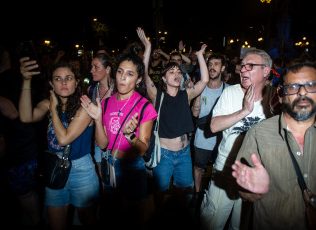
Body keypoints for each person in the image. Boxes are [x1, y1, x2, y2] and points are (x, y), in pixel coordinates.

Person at [231, 60, 316, 230]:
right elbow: (243, 190)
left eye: (311, 85)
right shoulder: (258, 134)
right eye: (293, 87)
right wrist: (254, 191)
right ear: (280, 94)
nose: (302, 93)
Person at [80, 28, 157, 229]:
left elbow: (141, 150)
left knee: (136, 218)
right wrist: (97, 119)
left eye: (130, 74)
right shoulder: (105, 104)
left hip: (133, 168)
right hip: (111, 164)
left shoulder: (145, 106)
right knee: (115, 217)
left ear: (138, 79)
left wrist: (130, 135)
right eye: (120, 72)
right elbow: (103, 144)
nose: (123, 78)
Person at [200, 49, 277, 230]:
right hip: (225, 172)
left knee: (240, 226)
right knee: (212, 224)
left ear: (265, 71)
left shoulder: (275, 98)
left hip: (254, 177)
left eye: (250, 66)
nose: (243, 70)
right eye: (242, 66)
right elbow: (213, 126)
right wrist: (244, 111)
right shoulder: (230, 93)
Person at [19, 59, 99, 230]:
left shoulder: (85, 106)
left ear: (77, 82)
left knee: (87, 219)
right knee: (56, 224)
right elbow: (26, 117)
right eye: (58, 78)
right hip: (54, 169)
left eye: (69, 78)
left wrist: (54, 110)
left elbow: (64, 139)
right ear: (51, 83)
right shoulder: (49, 103)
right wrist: (26, 80)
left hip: (81, 170)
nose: (63, 82)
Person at [137, 27, 209, 216]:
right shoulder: (157, 95)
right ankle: (160, 216)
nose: (176, 73)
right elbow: (144, 73)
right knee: (160, 192)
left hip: (184, 153)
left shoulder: (186, 95)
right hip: (164, 155)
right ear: (163, 77)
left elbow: (204, 81)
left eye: (178, 71)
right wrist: (147, 46)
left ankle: (177, 217)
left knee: (182, 190)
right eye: (171, 71)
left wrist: (200, 55)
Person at [0, 39, 44, 227]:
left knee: (24, 193)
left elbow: (18, 114)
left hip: (18, 149)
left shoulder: (17, 77)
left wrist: (26, 80)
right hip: (7, 149)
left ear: (5, 52)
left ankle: (38, 222)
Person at [190, 53, 228, 209]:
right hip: (202, 137)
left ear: (223, 68)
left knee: (219, 169)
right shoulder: (201, 88)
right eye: (210, 64)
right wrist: (198, 92)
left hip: (221, 139)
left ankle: (213, 195)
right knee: (198, 167)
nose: (212, 67)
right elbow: (195, 113)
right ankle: (197, 192)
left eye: (216, 64)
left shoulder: (229, 90)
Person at [87, 53, 115, 176]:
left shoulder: (119, 89)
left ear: (108, 69)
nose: (91, 70)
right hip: (98, 142)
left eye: (96, 67)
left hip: (116, 142)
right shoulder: (91, 90)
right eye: (91, 67)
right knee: (103, 178)